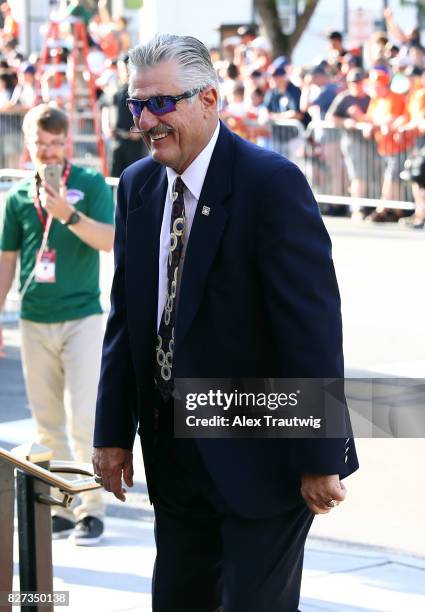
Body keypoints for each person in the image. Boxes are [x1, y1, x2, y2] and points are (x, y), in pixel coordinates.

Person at [93, 34, 358, 611]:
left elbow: (311, 328)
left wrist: (321, 456)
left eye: (161, 103)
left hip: (261, 459)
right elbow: (127, 318)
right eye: (137, 105)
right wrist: (112, 433)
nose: (146, 120)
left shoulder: (270, 183)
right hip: (175, 455)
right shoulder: (138, 186)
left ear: (210, 99)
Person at [0, 104, 114, 544]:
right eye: (39, 144)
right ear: (28, 144)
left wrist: (66, 212)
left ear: (67, 142)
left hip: (83, 315)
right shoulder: (16, 198)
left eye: (55, 143)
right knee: (46, 422)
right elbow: (7, 260)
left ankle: (92, 506)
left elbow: (110, 241)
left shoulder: (87, 184)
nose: (47, 153)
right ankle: (62, 507)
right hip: (34, 318)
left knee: (83, 416)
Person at [326, 68, 371, 215]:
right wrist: (346, 122)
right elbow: (330, 117)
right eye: (353, 82)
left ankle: (369, 206)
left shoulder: (370, 97)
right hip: (352, 141)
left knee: (370, 173)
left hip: (371, 142)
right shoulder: (344, 98)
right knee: (357, 174)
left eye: (358, 82)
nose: (356, 85)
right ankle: (357, 208)